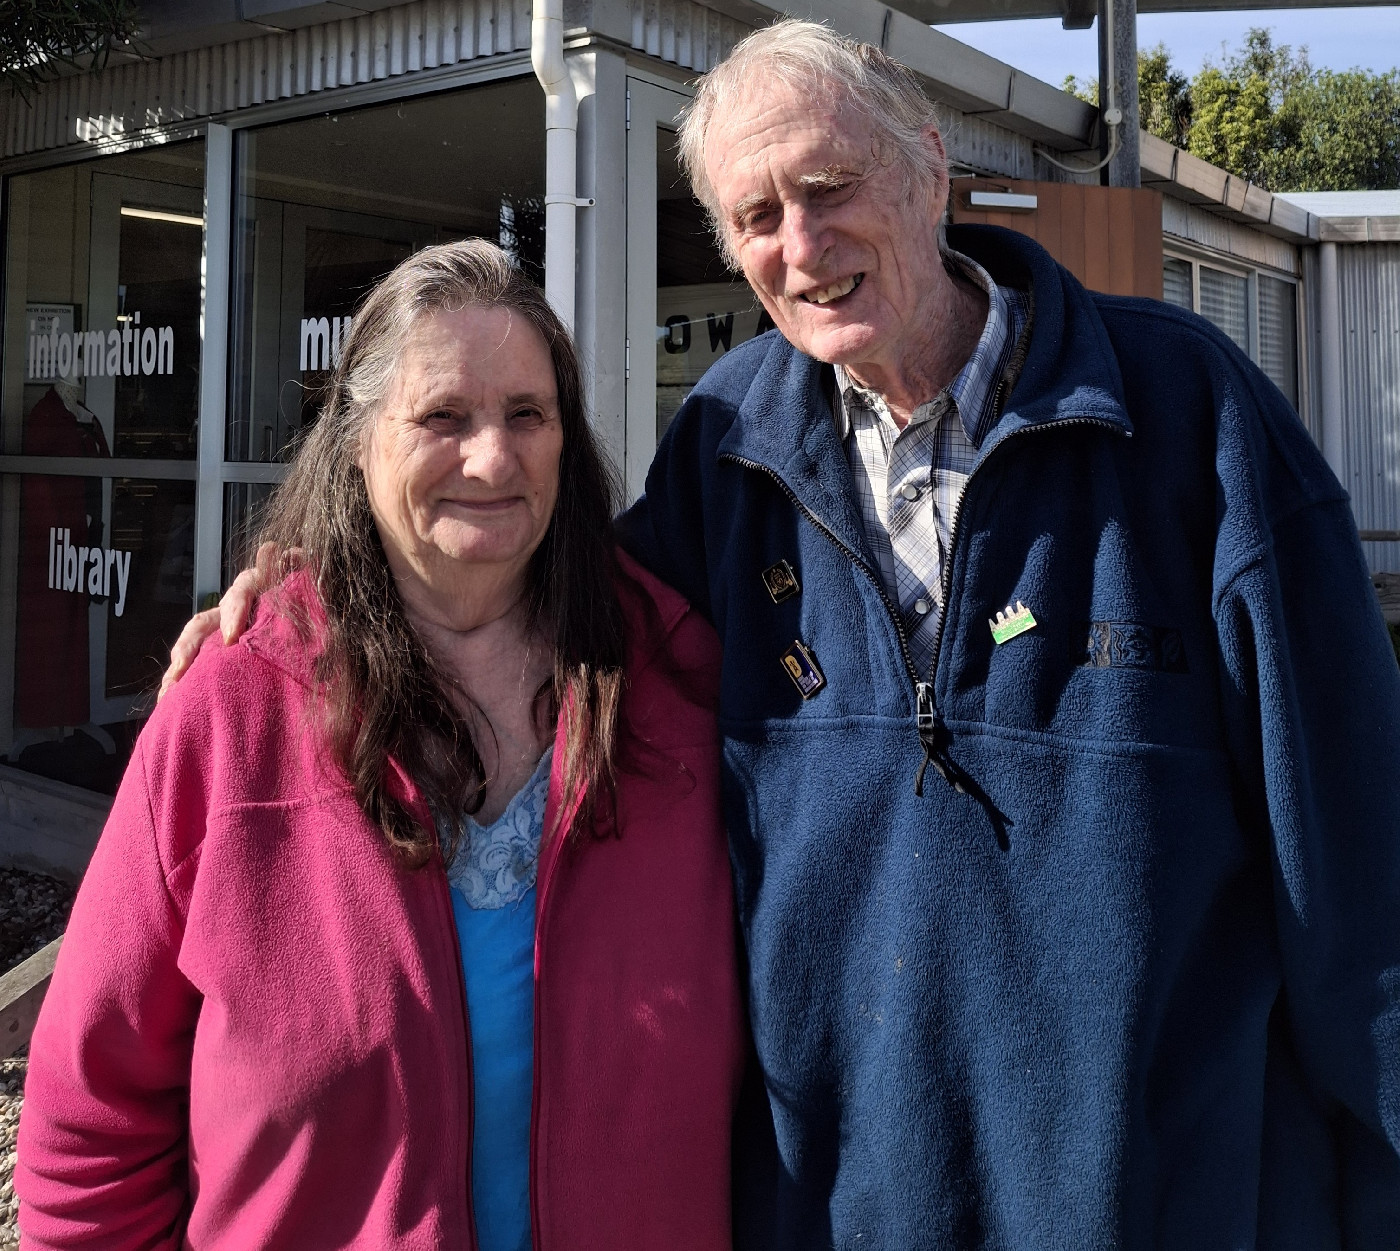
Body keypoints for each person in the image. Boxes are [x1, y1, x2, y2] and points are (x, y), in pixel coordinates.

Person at [161, 20, 1400, 1248]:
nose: (799, 247)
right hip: (838, 1210)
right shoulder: (731, 441)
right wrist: (331, 575)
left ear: (925, 163)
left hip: (1158, 1201)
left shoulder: (1188, 414)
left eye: (827, 187)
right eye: (756, 218)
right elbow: (541, 598)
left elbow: (1359, 867)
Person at [16, 240, 744, 1250]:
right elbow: (90, 1121)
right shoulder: (233, 716)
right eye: (441, 417)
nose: (491, 458)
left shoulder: (680, 684)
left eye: (525, 415)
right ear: (356, 442)